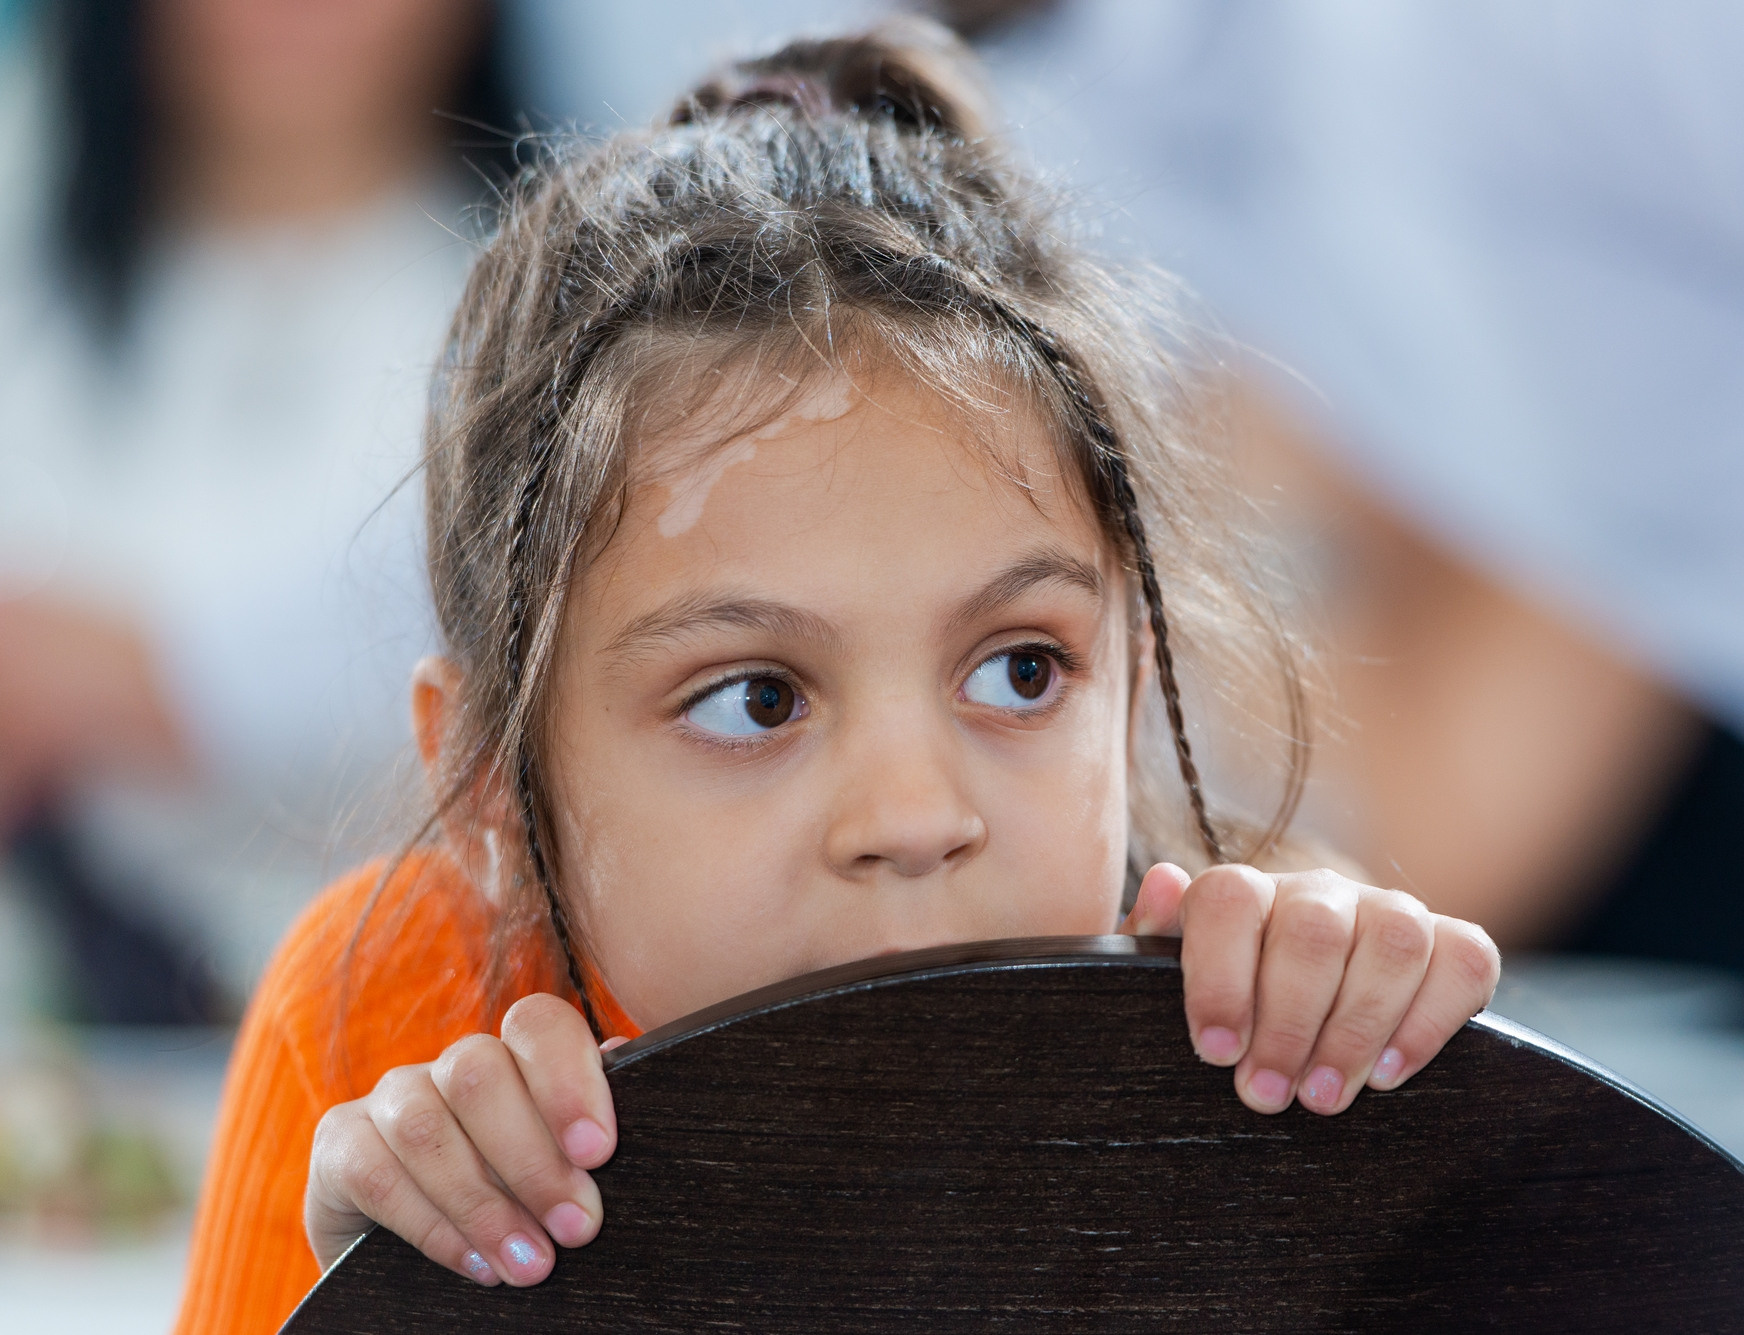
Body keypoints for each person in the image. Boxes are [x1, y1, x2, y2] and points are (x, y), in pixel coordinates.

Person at [171, 22, 1501, 1332]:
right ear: (491, 794)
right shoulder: (394, 1034)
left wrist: (1379, 1151)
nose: (916, 813)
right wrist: (375, 1303)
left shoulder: (1230, 1037)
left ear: (1131, 688)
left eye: (1023, 669)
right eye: (755, 697)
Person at [0, 0, 523, 1019]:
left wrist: (88, 674)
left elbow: (362, 641)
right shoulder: (32, 182)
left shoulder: (547, 312)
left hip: (386, 1041)